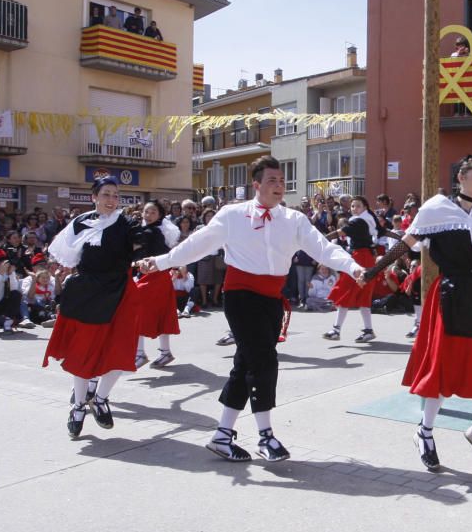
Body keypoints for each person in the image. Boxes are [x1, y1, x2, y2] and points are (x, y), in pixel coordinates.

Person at [137, 156, 365, 463]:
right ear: (256, 185)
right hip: (241, 296)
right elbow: (198, 244)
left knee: (245, 365)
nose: (279, 186)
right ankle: (265, 436)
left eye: (282, 181)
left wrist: (352, 267)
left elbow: (323, 248)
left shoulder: (294, 220)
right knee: (264, 362)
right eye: (272, 181)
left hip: (273, 299)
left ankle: (221, 435)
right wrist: (162, 262)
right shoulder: (232, 215)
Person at [361, 155, 472, 471]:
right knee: (441, 369)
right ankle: (424, 432)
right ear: (460, 177)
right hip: (449, 294)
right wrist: (372, 271)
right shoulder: (436, 209)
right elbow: (405, 244)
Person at [43, 176, 142, 439]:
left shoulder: (126, 223)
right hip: (88, 292)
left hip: (120, 291)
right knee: (82, 351)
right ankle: (77, 406)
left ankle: (100, 399)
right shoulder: (80, 222)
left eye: (115, 195)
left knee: (120, 350)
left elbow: (146, 241)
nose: (112, 200)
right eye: (106, 194)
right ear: (94, 197)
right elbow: (67, 256)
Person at [323, 196, 384, 342]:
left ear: (365, 208)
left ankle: (336, 330)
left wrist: (320, 240)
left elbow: (339, 233)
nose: (354, 208)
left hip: (360, 258)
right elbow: (384, 232)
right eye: (352, 206)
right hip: (366, 258)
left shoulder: (358, 221)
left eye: (358, 206)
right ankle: (367, 330)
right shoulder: (368, 221)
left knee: (346, 291)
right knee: (363, 296)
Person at [132, 201, 182, 369]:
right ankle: (164, 352)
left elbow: (159, 254)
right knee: (160, 314)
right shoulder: (154, 230)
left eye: (153, 212)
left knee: (136, 311)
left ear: (160, 215)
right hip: (155, 276)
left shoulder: (151, 231)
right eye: (146, 211)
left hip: (154, 276)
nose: (149, 214)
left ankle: (140, 353)